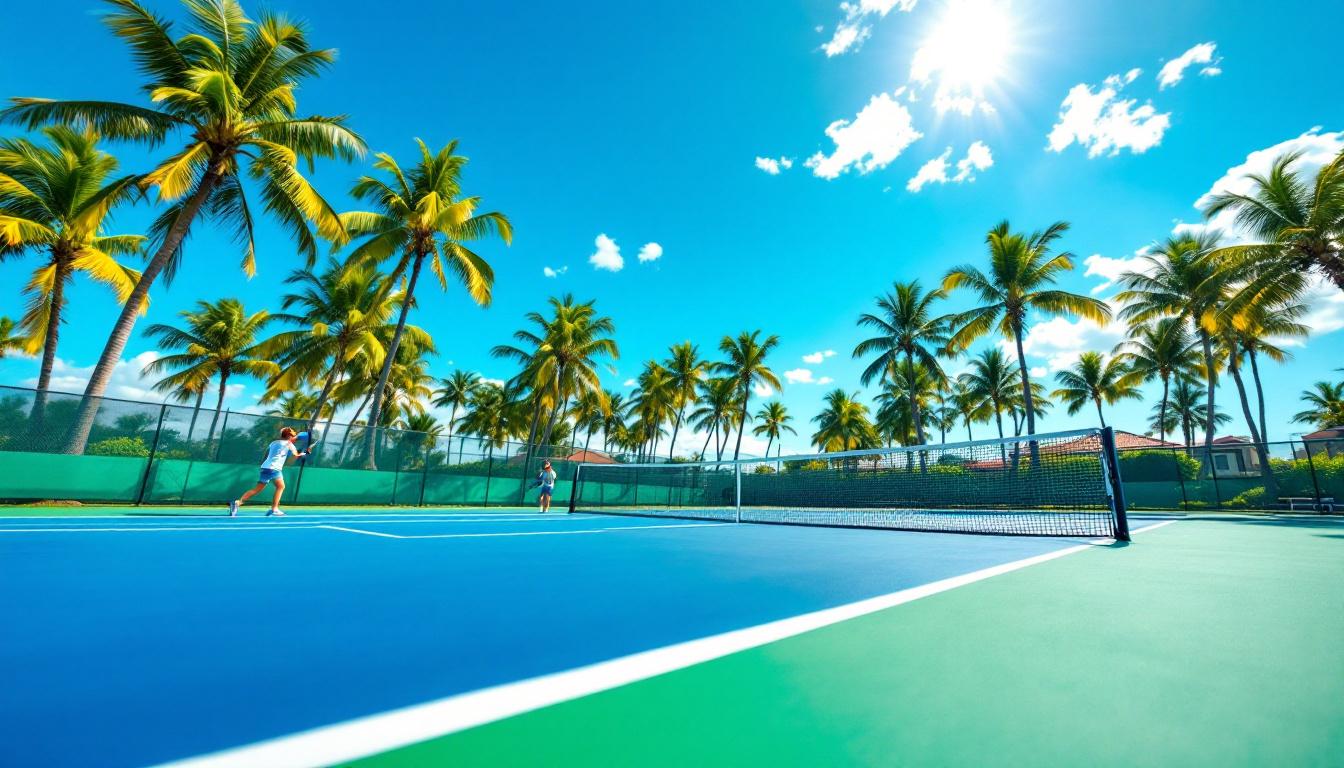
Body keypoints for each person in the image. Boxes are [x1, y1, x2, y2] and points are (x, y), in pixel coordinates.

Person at [228, 427, 308, 517]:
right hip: (274, 468)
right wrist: (305, 453)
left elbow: (267, 455)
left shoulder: (273, 443)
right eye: (292, 435)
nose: (293, 436)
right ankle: (274, 509)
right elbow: (296, 455)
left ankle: (237, 503)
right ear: (289, 436)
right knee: (281, 486)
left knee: (257, 489)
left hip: (265, 467)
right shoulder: (289, 444)